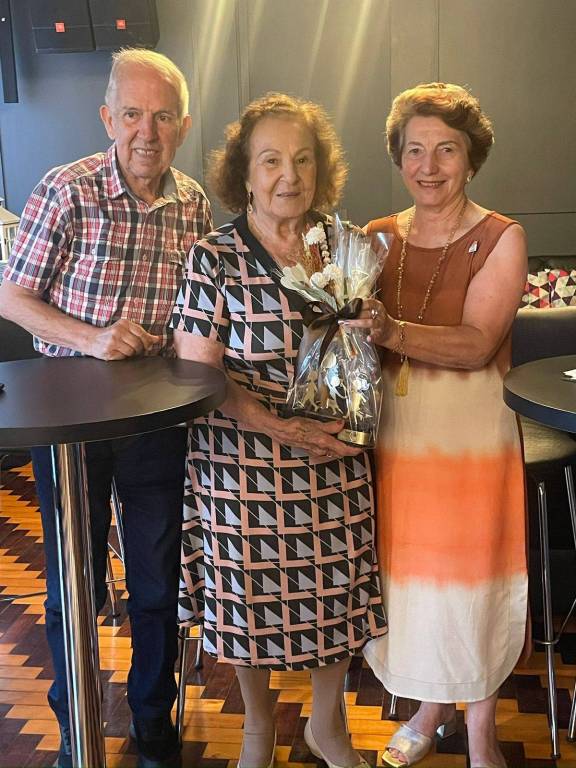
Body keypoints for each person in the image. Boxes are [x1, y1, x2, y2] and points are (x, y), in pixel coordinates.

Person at [0, 48, 212, 768]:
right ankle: (77, 727)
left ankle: (153, 722)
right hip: (70, 427)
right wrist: (91, 337)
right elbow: (11, 296)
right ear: (107, 118)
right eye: (131, 114)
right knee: (75, 589)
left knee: (155, 585)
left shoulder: (194, 204)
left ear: (184, 125)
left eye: (162, 117)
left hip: (156, 422)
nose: (146, 132)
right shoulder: (65, 189)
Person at [170, 92, 388, 768]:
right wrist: (282, 428)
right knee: (248, 599)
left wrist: (373, 328)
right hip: (243, 463)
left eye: (303, 159)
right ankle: (258, 727)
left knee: (335, 593)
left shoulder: (345, 245)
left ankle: (327, 725)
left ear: (322, 168)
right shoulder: (213, 256)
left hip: (333, 458)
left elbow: (364, 347)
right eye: (271, 161)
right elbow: (198, 374)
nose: (289, 175)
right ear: (244, 172)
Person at [346, 83, 528, 768]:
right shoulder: (374, 237)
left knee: (472, 584)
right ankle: (429, 710)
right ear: (398, 158)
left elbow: (478, 343)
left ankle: (481, 733)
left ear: (471, 159)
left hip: (470, 441)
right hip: (397, 439)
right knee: (412, 587)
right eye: (415, 150)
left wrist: (390, 329)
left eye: (446, 150)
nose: (429, 166)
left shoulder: (502, 237)